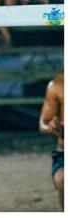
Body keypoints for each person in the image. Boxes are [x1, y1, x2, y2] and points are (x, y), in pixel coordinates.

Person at [39, 73, 64, 210]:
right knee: (63, 181)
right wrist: (50, 127)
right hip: (64, 153)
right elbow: (43, 124)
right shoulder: (57, 86)